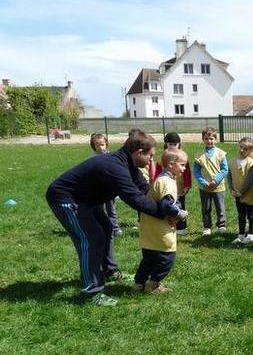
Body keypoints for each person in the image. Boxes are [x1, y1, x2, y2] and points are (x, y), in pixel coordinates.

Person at [46, 130, 183, 305]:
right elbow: (134, 198)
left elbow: (144, 191)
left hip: (88, 200)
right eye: (150, 156)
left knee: (106, 228)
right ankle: (92, 292)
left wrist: (170, 207)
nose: (151, 160)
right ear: (139, 152)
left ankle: (109, 271)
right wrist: (164, 214)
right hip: (66, 198)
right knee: (91, 239)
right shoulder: (115, 166)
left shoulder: (129, 164)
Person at [135, 147, 189, 294]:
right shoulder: (167, 182)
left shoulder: (162, 178)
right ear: (171, 164)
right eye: (182, 165)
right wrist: (180, 214)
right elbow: (166, 205)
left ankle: (138, 285)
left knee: (148, 259)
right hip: (159, 229)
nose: (184, 168)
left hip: (148, 228)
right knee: (167, 258)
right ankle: (153, 284)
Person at [152, 132, 192, 235]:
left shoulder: (182, 157)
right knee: (170, 205)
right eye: (170, 144)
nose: (172, 146)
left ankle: (181, 227)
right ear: (166, 144)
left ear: (179, 144)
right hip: (167, 189)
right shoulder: (163, 158)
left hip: (179, 187)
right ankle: (170, 223)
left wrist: (187, 184)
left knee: (180, 204)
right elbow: (157, 173)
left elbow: (187, 172)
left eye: (175, 144)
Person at [193, 126, 228, 236]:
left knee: (220, 207)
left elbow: (224, 169)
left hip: (218, 186)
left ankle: (221, 225)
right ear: (203, 139)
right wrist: (203, 182)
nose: (209, 141)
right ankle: (207, 227)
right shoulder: (199, 155)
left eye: (212, 138)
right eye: (207, 138)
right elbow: (196, 171)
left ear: (215, 139)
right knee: (206, 207)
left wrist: (216, 180)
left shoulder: (221, 153)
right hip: (205, 187)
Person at [90, 133, 122, 237]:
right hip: (98, 190)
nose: (100, 147)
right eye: (98, 145)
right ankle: (101, 228)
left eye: (102, 144)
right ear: (94, 146)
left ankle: (115, 228)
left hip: (109, 189)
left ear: (106, 144)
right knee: (99, 210)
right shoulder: (92, 159)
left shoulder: (111, 157)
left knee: (111, 210)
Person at [228, 137, 253, 245]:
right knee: (241, 213)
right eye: (241, 147)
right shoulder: (232, 162)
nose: (242, 150)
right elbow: (229, 177)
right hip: (236, 193)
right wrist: (232, 189)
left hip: (248, 193)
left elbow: (249, 180)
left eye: (245, 149)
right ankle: (240, 234)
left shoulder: (251, 163)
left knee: (250, 214)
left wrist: (242, 192)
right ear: (238, 145)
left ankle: (251, 234)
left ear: (250, 151)